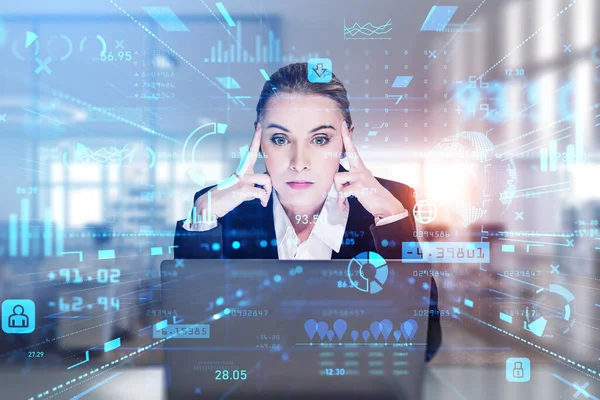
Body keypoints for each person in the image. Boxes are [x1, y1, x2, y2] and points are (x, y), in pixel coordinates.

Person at [173, 62, 441, 361]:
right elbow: (190, 337)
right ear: (259, 141)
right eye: (280, 139)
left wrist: (392, 222)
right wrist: (203, 218)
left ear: (345, 139)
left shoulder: (392, 201)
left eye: (320, 139)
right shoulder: (220, 212)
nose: (299, 162)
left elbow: (424, 343)